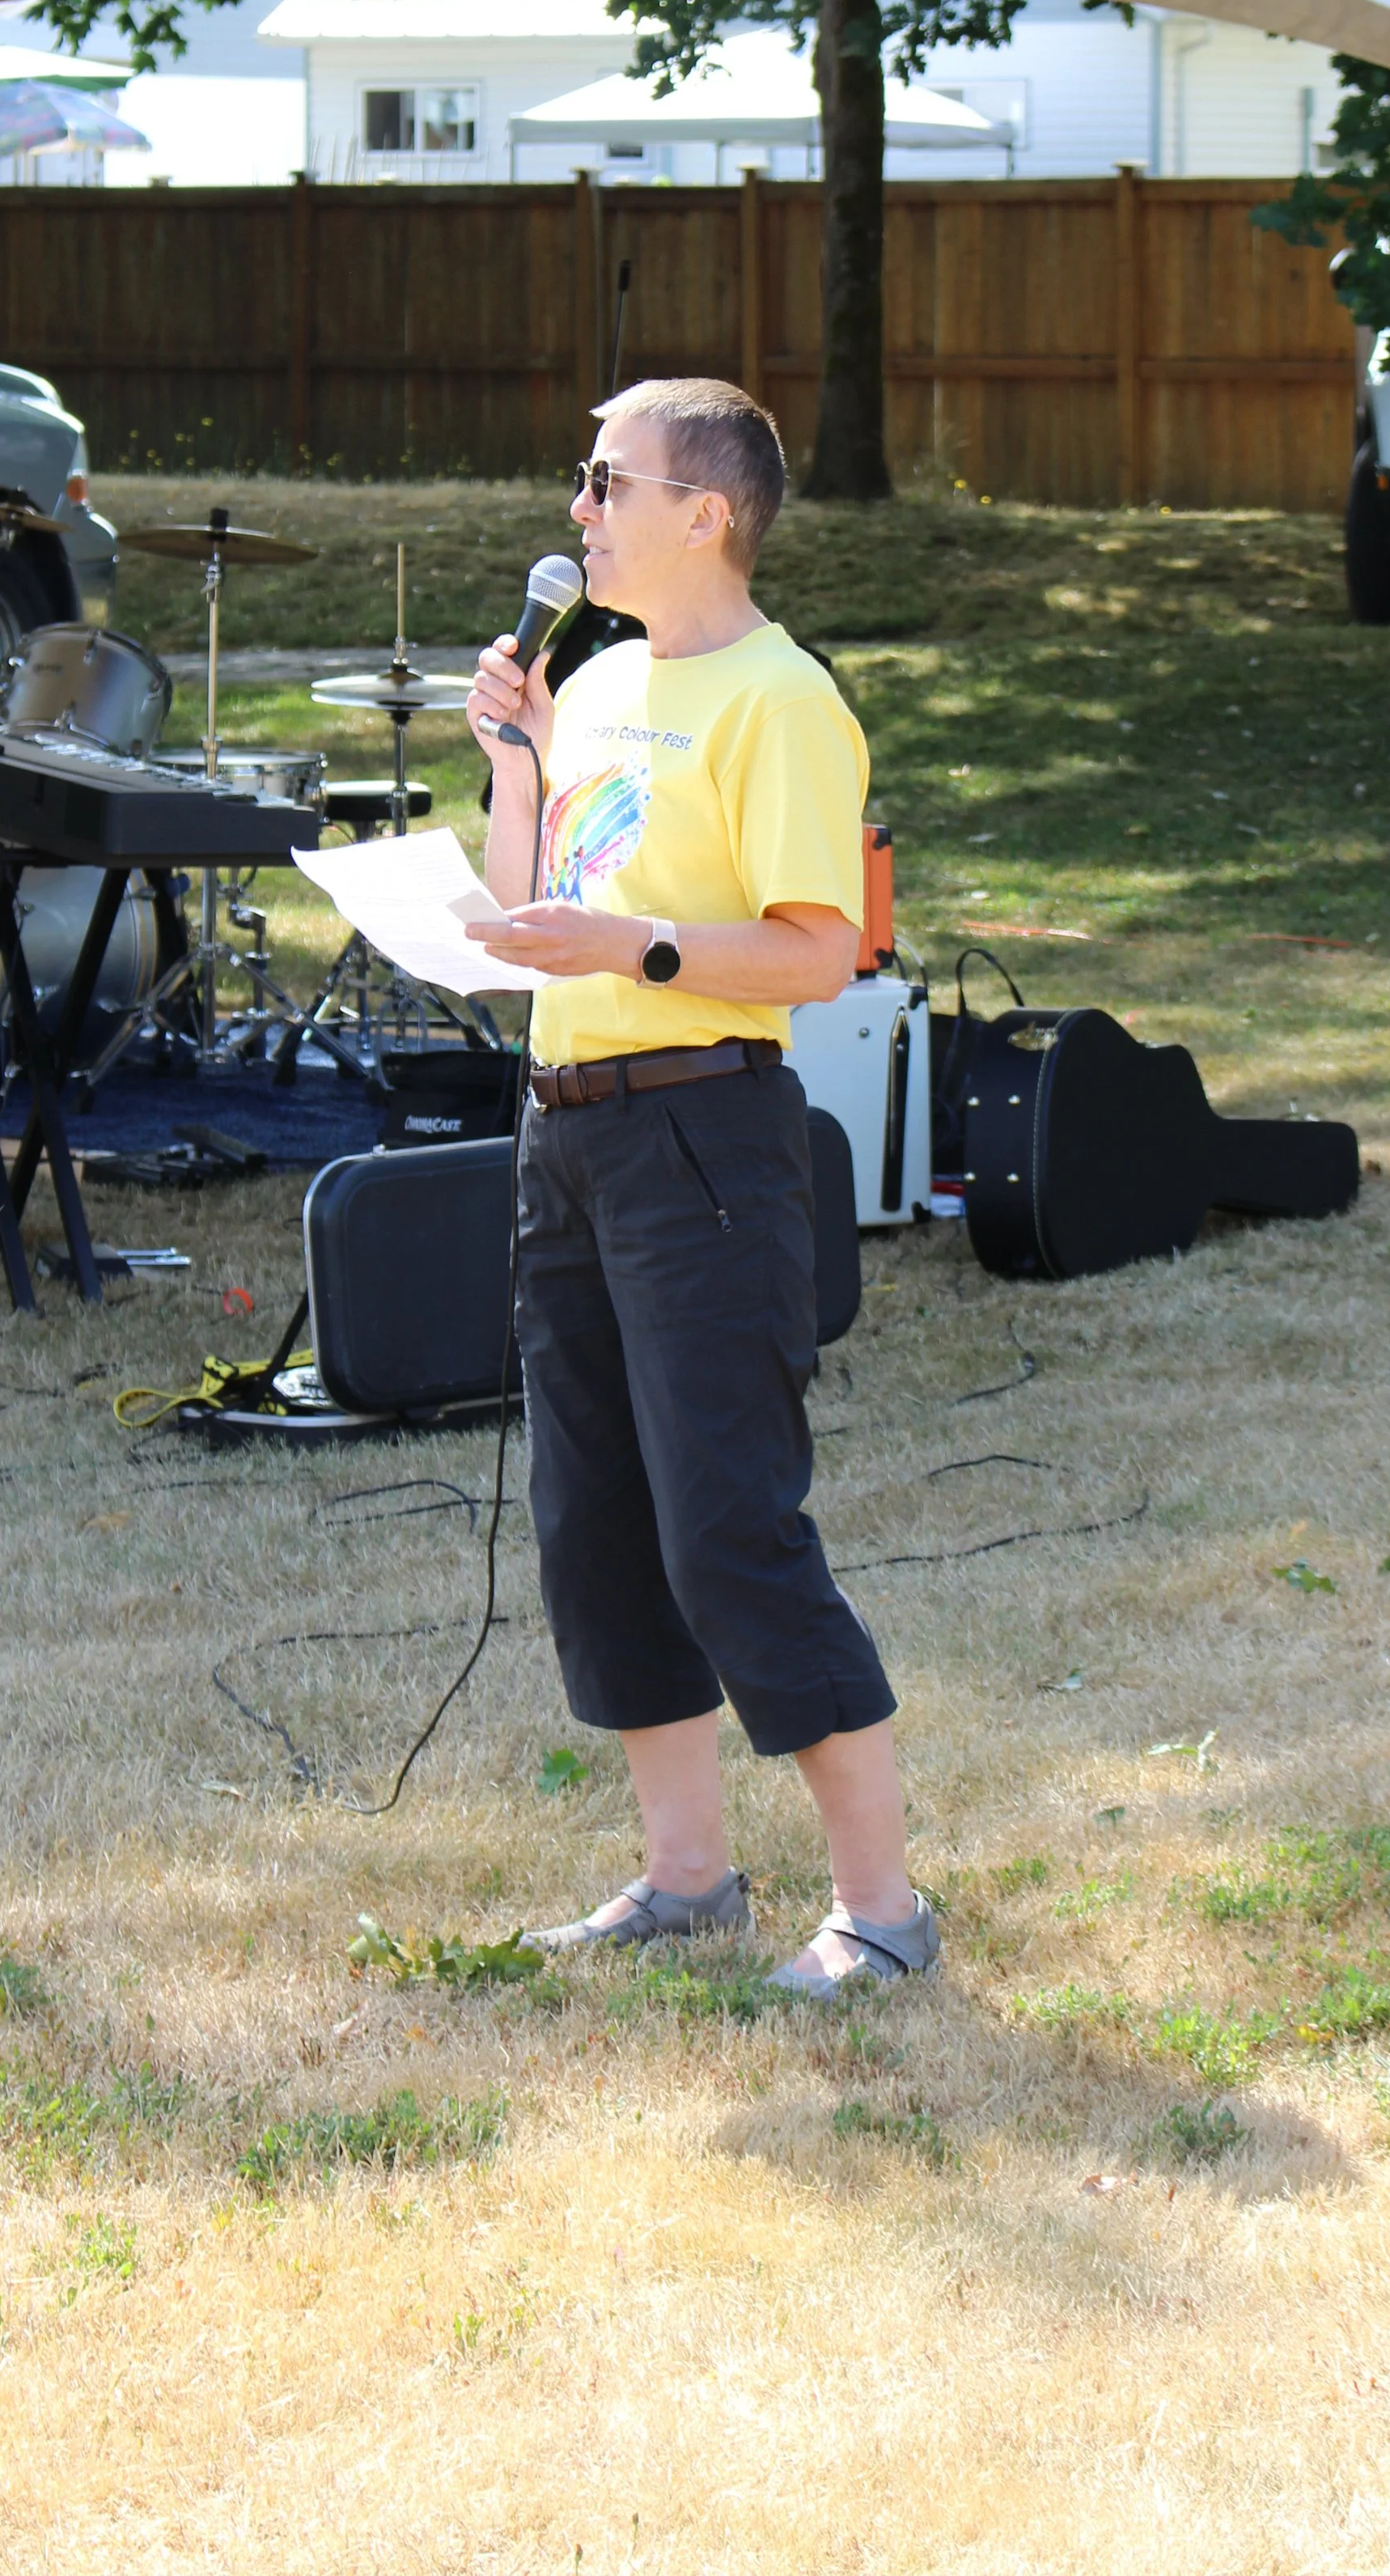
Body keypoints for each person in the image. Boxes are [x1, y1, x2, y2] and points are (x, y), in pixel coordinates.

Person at [462, 376, 938, 1998]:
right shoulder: (591, 683)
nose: (577, 509)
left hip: (700, 1138)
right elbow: (534, 910)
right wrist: (516, 769)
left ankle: (879, 1914)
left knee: (730, 1526)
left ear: (704, 513)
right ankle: (685, 1880)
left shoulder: (779, 701)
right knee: (595, 1523)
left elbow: (821, 948)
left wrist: (637, 949)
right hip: (567, 1129)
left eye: (605, 481)